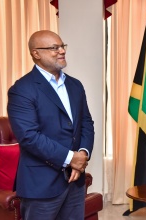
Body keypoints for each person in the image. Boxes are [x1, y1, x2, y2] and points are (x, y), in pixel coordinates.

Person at [7, 30, 94, 220]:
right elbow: (29, 136)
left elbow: (86, 123)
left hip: (75, 180)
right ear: (36, 53)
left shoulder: (75, 85)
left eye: (62, 46)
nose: (62, 51)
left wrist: (83, 154)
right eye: (54, 48)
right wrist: (71, 158)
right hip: (41, 184)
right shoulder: (21, 90)